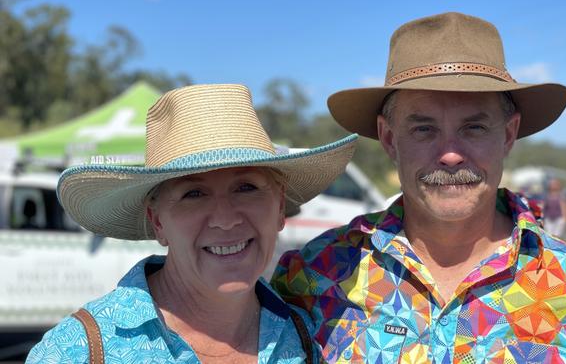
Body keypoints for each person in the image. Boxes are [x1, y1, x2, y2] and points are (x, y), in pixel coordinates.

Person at [271, 12, 566, 363]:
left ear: (509, 134)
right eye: (424, 129)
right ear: (389, 139)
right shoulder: (314, 277)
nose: (450, 155)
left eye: (474, 128)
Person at [27, 84, 357, 363]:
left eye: (246, 188)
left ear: (280, 207)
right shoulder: (80, 350)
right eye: (193, 193)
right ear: (157, 221)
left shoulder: (307, 340)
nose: (226, 220)